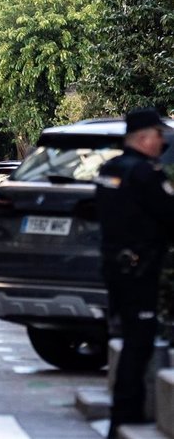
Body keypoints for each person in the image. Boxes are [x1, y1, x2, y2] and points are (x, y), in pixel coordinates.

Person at [95, 107, 174, 438]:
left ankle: (125, 410)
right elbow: (169, 215)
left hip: (115, 265)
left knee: (128, 337)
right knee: (138, 342)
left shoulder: (109, 169)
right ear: (143, 137)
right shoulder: (144, 174)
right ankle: (125, 414)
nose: (162, 142)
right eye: (158, 135)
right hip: (140, 269)